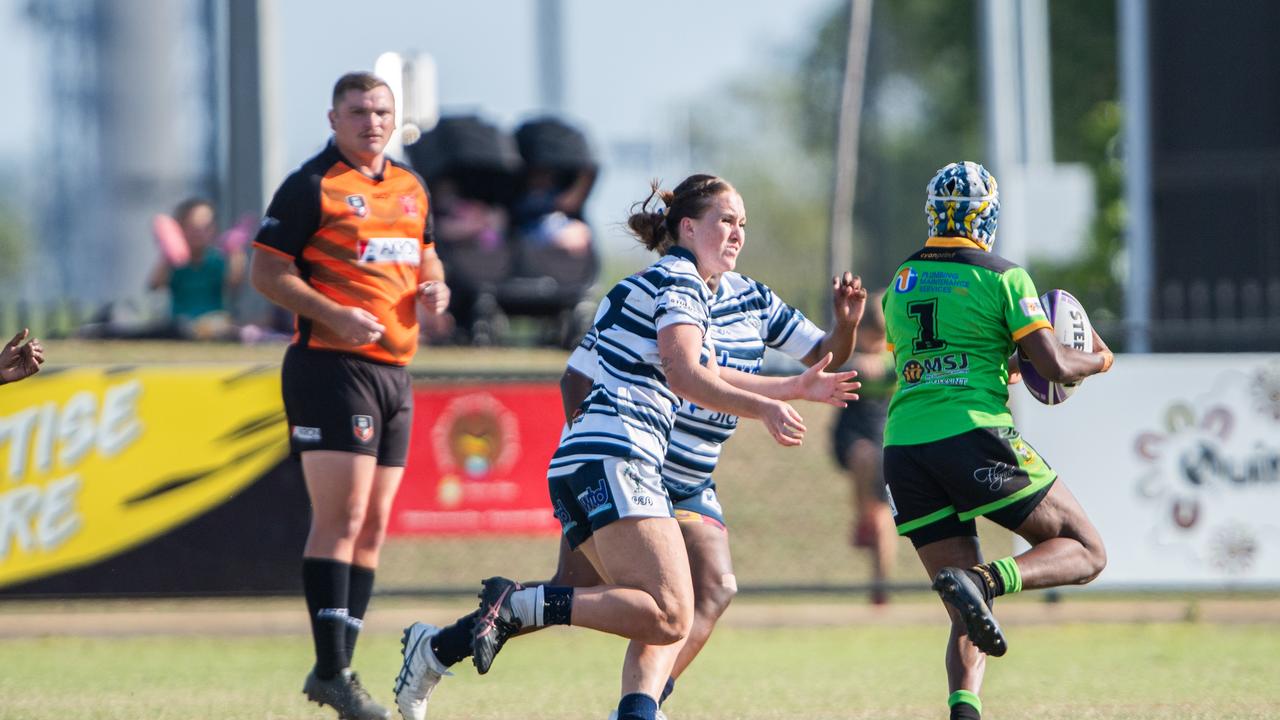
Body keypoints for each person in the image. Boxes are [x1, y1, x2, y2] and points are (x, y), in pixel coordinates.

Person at [393, 174, 860, 720]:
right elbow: (676, 372)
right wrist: (766, 404)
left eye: (742, 225)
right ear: (688, 227)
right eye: (726, 221)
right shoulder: (673, 284)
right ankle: (542, 629)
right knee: (663, 611)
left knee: (675, 595)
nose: (737, 234)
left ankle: (440, 649)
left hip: (647, 468)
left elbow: (763, 362)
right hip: (627, 461)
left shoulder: (714, 291)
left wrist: (822, 352)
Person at [250, 71, 450, 720]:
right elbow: (266, 272)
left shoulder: (409, 185)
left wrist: (435, 288)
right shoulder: (313, 185)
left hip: (395, 371)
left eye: (382, 111)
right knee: (342, 515)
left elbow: (427, 255)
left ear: (397, 119)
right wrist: (333, 313)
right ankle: (334, 671)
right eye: (359, 111)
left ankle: (335, 668)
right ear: (332, 119)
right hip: (330, 366)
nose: (372, 122)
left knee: (375, 525)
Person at [881, 161, 1112, 720]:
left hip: (904, 451)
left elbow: (938, 361)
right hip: (973, 436)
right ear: (988, 218)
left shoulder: (900, 283)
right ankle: (986, 578)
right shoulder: (1004, 276)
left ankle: (965, 711)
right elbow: (1055, 365)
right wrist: (1101, 358)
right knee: (1086, 551)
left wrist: (1004, 366)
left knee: (964, 608)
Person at [831, 289, 897, 604]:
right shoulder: (851, 350)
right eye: (872, 338)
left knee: (884, 517)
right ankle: (862, 520)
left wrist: (882, 361)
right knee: (862, 456)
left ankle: (880, 589)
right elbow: (829, 360)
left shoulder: (895, 356)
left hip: (884, 436)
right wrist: (858, 360)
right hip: (850, 434)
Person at [147, 197, 248, 339]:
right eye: (193, 227)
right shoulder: (176, 261)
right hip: (180, 326)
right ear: (181, 227)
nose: (200, 233)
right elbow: (154, 285)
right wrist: (167, 253)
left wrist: (237, 252)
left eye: (206, 227)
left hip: (215, 324)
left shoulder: (217, 259)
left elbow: (234, 283)